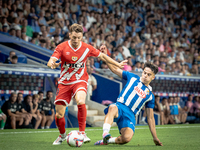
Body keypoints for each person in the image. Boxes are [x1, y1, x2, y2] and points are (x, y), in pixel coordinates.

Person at [47, 23, 125, 145]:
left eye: (79, 37)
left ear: (82, 36)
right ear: (69, 35)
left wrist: (117, 64)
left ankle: (82, 133)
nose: (76, 40)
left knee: (81, 101)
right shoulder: (62, 47)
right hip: (64, 82)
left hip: (80, 80)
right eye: (74, 37)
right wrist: (52, 63)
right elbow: (51, 60)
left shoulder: (87, 48)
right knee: (59, 114)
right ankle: (62, 135)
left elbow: (103, 56)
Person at [94, 48, 162, 146]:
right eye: (144, 72)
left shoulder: (150, 96)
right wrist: (105, 57)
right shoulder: (132, 77)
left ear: (153, 77)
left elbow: (150, 118)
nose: (145, 75)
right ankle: (105, 134)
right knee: (112, 107)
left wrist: (155, 137)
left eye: (149, 74)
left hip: (130, 116)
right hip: (119, 107)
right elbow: (114, 69)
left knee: (126, 138)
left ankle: (106, 141)